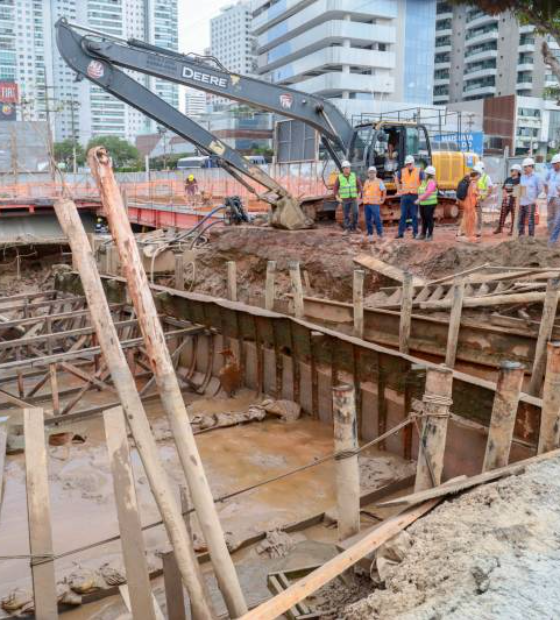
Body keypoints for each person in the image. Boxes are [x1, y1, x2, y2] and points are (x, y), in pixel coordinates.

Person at [395, 155, 424, 239]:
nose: (409, 165)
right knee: (403, 215)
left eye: (410, 163)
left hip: (414, 196)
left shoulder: (419, 171)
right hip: (404, 196)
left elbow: (423, 183)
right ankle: (400, 233)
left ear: (413, 163)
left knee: (414, 215)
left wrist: (421, 195)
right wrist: (398, 190)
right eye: (407, 164)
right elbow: (396, 178)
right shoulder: (402, 171)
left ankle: (415, 233)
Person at [333, 160, 363, 234]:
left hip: (353, 199)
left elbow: (359, 185)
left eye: (348, 168)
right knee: (346, 215)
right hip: (344, 200)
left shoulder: (354, 175)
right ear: (343, 169)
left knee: (355, 213)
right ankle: (347, 229)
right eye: (345, 168)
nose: (347, 169)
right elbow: (335, 188)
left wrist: (359, 194)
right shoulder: (339, 177)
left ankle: (355, 227)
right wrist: (337, 197)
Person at [519, 157, 544, 237]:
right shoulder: (522, 177)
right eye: (524, 167)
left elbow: (540, 189)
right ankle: (521, 235)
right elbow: (520, 188)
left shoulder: (537, 177)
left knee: (530, 220)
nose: (524, 168)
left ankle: (530, 237)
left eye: (526, 167)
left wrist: (534, 198)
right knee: (521, 219)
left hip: (530, 202)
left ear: (531, 167)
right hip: (522, 201)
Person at [494, 164, 521, 235]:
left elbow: (518, 190)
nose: (511, 171)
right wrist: (505, 194)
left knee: (514, 216)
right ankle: (499, 228)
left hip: (515, 200)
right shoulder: (508, 179)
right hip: (506, 199)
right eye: (511, 170)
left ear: (517, 171)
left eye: (512, 170)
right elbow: (504, 188)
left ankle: (512, 230)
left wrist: (510, 194)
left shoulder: (520, 180)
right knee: (503, 214)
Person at [362, 166, 386, 241]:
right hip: (367, 203)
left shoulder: (379, 181)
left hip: (375, 204)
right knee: (368, 219)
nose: (371, 174)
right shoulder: (366, 181)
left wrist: (383, 199)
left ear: (375, 173)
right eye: (370, 172)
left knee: (377, 218)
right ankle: (370, 233)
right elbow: (364, 191)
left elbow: (384, 190)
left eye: (373, 172)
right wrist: (363, 198)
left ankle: (380, 233)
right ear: (368, 174)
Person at [415, 165, 438, 241]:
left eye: (425, 173)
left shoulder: (431, 182)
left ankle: (430, 235)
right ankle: (423, 234)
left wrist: (419, 199)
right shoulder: (424, 182)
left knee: (429, 219)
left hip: (430, 204)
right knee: (424, 219)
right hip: (423, 204)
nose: (424, 174)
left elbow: (428, 192)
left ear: (429, 174)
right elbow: (421, 191)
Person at [458, 170, 481, 243]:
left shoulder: (470, 182)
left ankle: (468, 234)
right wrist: (479, 194)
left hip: (469, 203)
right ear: (475, 176)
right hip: (470, 204)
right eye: (478, 175)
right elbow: (473, 192)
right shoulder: (473, 183)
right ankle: (469, 235)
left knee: (468, 218)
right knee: (471, 219)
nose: (479, 177)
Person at [473, 161, 494, 237]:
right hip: (473, 197)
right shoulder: (475, 176)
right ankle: (472, 229)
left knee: (479, 215)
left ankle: (478, 231)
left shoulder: (486, 177)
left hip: (480, 198)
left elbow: (490, 188)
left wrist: (485, 197)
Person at [545, 154, 560, 237]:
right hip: (550, 197)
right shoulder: (550, 171)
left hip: (558, 198)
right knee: (550, 215)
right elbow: (545, 181)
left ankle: (556, 233)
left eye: (555, 164)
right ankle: (550, 231)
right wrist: (546, 191)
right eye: (553, 164)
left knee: (558, 216)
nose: (553, 165)